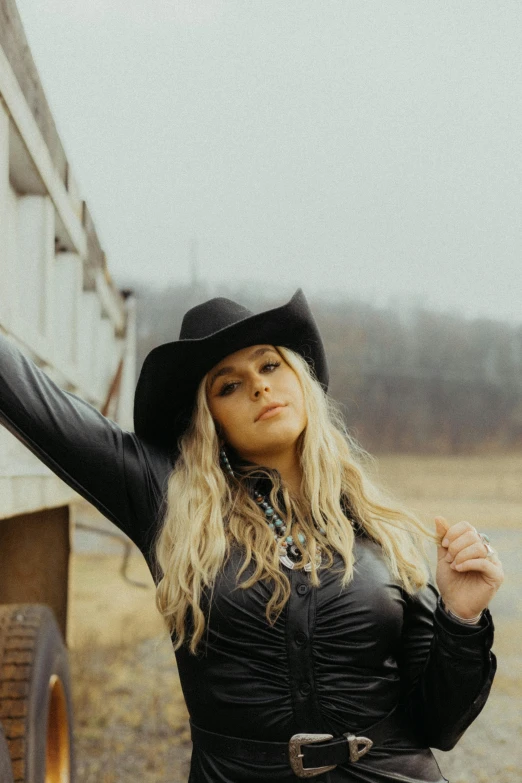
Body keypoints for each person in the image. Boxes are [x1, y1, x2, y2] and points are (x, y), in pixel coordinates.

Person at [0, 288, 503, 783]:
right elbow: (29, 399)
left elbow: (440, 724)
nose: (259, 387)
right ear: (208, 420)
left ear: (298, 379)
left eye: (269, 366)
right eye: (228, 386)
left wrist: (461, 617)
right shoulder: (170, 499)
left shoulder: (381, 527)